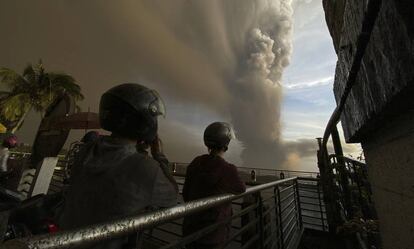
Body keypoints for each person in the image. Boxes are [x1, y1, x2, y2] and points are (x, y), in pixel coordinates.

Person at [58, 83, 178, 249]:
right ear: (144, 121)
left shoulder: (86, 150)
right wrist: (159, 155)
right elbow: (172, 197)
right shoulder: (145, 167)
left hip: (65, 241)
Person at [182, 122, 246, 249]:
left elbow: (186, 194)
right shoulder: (227, 169)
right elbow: (241, 189)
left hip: (190, 230)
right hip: (213, 235)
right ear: (225, 145)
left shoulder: (196, 162)